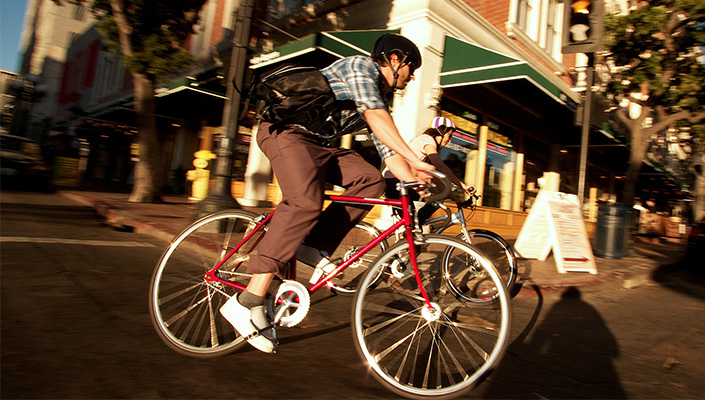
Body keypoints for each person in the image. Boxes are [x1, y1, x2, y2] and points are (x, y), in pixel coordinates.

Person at [220, 33, 435, 353]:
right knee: (305, 201)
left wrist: (419, 177)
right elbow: (377, 121)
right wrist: (416, 157)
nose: (412, 75)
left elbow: (389, 156)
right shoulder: (362, 68)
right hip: (285, 133)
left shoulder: (379, 95)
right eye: (411, 67)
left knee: (370, 179)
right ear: (394, 60)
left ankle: (312, 245)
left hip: (316, 145)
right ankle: (248, 298)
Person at [383, 116, 475, 225]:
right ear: (441, 131)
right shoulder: (426, 140)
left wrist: (457, 200)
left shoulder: (428, 152)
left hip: (398, 181)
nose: (450, 140)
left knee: (434, 197)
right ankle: (412, 232)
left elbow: (437, 182)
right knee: (418, 217)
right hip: (395, 180)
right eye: (449, 135)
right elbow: (441, 167)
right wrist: (463, 186)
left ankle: (413, 231)